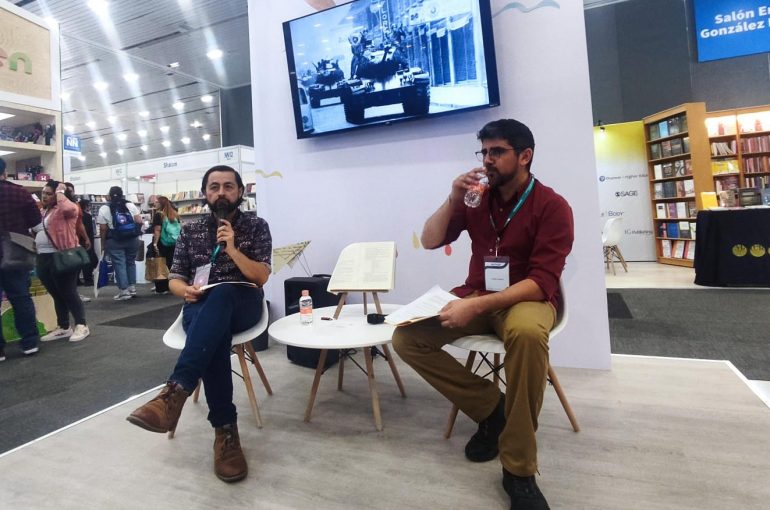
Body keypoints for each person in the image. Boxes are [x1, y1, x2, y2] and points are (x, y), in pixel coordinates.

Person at [392, 119, 574, 510]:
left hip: (526, 299)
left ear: (525, 156)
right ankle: (493, 410)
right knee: (406, 337)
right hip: (476, 292)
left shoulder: (553, 206)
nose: (487, 160)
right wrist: (452, 197)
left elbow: (543, 281)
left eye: (497, 152)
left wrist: (476, 306)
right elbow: (429, 240)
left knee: (526, 335)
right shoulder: (475, 197)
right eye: (484, 152)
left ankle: (519, 470)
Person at [127, 165, 272, 483]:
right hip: (200, 304)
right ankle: (226, 433)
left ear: (240, 192)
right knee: (214, 330)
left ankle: (174, 393)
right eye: (215, 186)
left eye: (229, 186)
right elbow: (176, 279)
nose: (222, 192)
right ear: (205, 193)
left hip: (244, 302)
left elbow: (261, 277)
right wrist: (186, 290)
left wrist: (232, 248)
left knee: (221, 299)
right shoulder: (190, 231)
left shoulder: (257, 226)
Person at [34, 180, 90, 343]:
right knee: (56, 293)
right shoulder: (45, 211)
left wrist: (60, 191)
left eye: (49, 193)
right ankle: (64, 327)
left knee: (68, 291)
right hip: (43, 256)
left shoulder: (66, 209)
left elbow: (69, 208)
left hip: (63, 255)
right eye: (43, 193)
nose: (45, 196)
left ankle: (82, 324)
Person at [0, 157, 43, 360]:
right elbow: (36, 222)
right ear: (5, 170)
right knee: (20, 297)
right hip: (15, 249)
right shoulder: (20, 192)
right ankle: (29, 342)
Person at [96, 186, 141, 300]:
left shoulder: (104, 209)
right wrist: (134, 232)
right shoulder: (130, 205)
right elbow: (139, 221)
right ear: (122, 195)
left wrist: (103, 244)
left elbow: (103, 229)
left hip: (114, 240)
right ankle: (132, 288)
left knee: (119, 263)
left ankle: (124, 291)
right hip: (132, 239)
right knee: (130, 262)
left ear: (109, 196)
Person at [150, 196, 180, 294]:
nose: (155, 204)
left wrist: (155, 243)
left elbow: (157, 230)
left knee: (160, 264)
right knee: (171, 263)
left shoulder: (159, 215)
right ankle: (173, 285)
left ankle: (161, 288)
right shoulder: (175, 214)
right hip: (173, 242)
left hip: (162, 242)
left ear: (160, 204)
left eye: (157, 202)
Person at [77, 198, 99, 288]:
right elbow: (90, 230)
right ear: (86, 206)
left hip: (77, 241)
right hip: (87, 240)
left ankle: (77, 280)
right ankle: (88, 279)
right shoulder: (87, 216)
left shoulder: (77, 216)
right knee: (88, 261)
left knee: (78, 262)